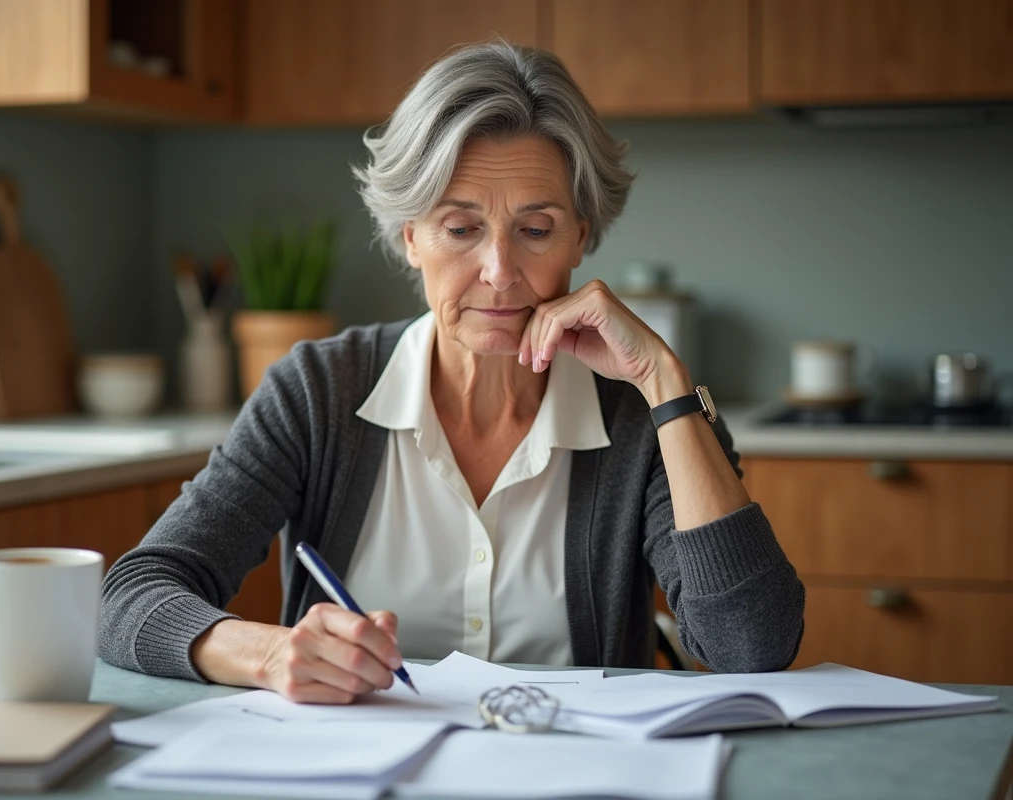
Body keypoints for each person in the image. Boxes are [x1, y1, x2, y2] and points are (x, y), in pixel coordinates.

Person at [100, 40, 804, 704]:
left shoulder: (640, 412)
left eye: (535, 229)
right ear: (410, 237)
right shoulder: (318, 391)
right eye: (461, 229)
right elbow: (133, 594)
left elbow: (752, 644)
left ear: (580, 237)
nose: (499, 273)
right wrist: (269, 654)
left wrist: (663, 382)